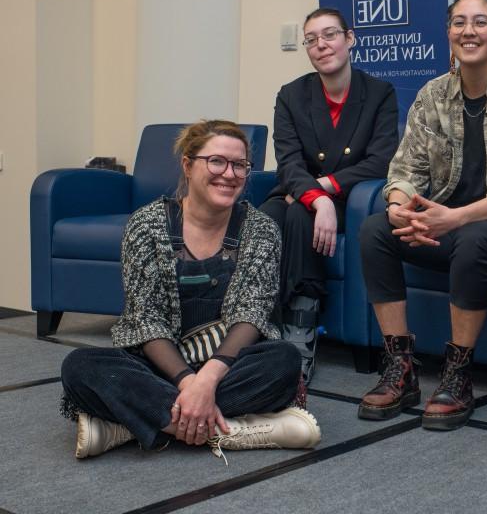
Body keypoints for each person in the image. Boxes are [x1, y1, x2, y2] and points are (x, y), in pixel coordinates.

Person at [59, 120, 321, 461]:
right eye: (216, 161)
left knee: (284, 361)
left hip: (229, 364)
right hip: (161, 365)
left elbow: (251, 315)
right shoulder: (146, 224)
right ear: (188, 164)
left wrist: (207, 381)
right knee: (79, 366)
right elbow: (146, 319)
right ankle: (233, 429)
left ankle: (129, 425)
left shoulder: (262, 229)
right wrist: (187, 383)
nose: (229, 174)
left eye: (239, 165)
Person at [357, 0, 487, 431]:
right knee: (374, 230)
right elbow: (406, 168)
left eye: (480, 22)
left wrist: (455, 217)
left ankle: (458, 373)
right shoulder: (432, 95)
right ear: (448, 33)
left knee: (474, 237)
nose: (469, 30)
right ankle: (400, 368)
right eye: (459, 22)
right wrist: (399, 207)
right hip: (441, 227)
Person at [261, 7, 399, 380]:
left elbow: (382, 160)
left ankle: (299, 332)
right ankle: (255, 328)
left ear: (350, 39)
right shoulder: (291, 95)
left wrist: (323, 190)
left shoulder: (378, 94)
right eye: (311, 39)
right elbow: (288, 162)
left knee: (295, 214)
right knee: (266, 219)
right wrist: (314, 197)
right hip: (296, 193)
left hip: (345, 199)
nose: (321, 45)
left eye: (330, 35)